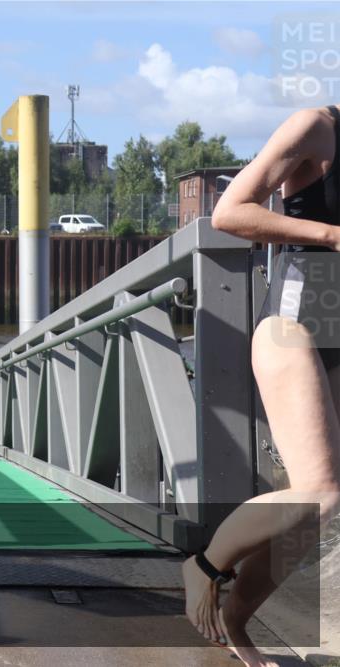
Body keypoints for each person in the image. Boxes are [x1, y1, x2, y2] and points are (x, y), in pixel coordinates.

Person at [183, 105, 340, 666]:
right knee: (322, 492)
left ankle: (237, 625)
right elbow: (229, 212)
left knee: (311, 513)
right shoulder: (317, 127)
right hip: (293, 327)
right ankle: (202, 566)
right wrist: (331, 234)